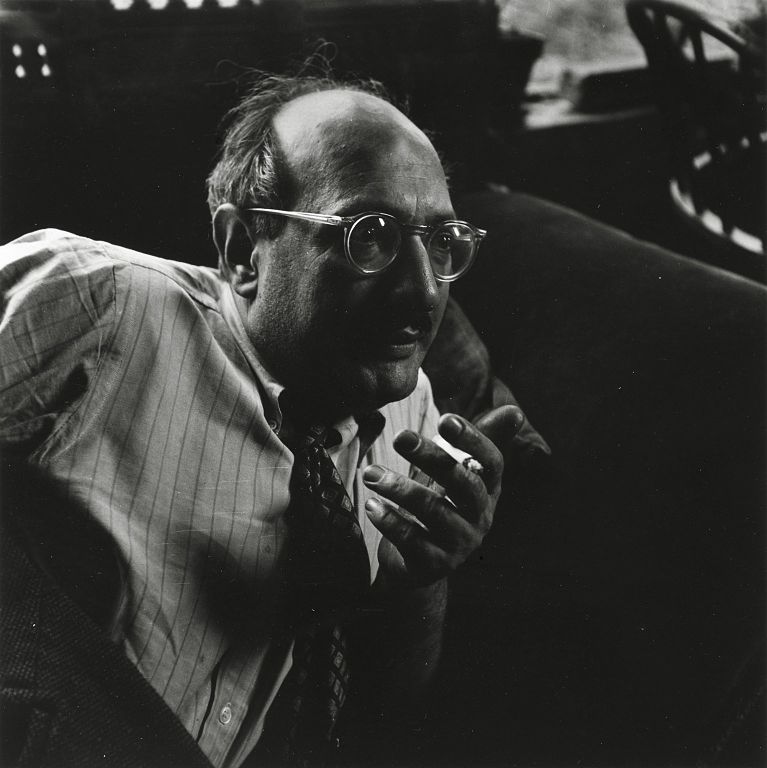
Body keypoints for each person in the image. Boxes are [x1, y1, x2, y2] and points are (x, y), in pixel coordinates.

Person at [0, 74, 542, 768]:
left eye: (440, 242)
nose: (423, 289)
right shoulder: (96, 306)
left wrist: (423, 582)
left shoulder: (414, 415)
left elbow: (391, 709)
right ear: (241, 250)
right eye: (369, 236)